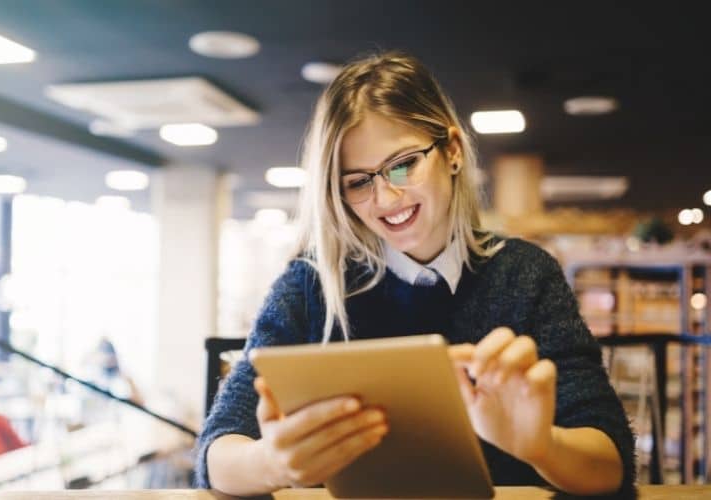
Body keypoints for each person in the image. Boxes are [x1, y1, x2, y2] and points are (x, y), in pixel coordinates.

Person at [195, 51, 634, 496]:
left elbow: (610, 463)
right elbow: (217, 453)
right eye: (359, 181)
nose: (386, 199)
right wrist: (269, 462)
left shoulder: (526, 273)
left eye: (403, 164)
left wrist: (541, 445)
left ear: (453, 151)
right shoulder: (311, 283)